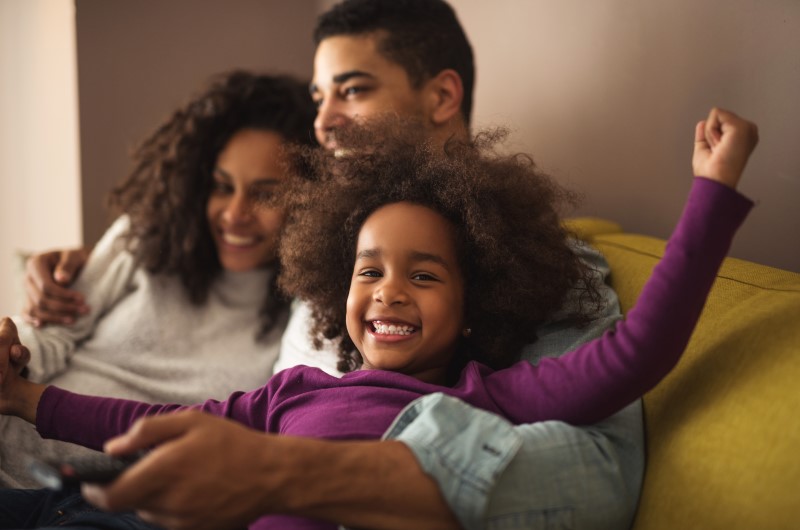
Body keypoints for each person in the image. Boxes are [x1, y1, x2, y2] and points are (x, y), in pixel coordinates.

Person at [16, 1, 646, 529]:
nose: (323, 122)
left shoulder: (529, 263)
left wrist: (287, 472)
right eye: (320, 97)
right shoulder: (326, 249)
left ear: (443, 95)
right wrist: (78, 276)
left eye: (352, 89)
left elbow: (595, 478)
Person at [0, 106, 759, 530]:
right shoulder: (291, 391)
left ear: (474, 308)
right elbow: (151, 422)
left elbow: (635, 354)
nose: (390, 292)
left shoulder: (485, 400)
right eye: (369, 272)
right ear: (338, 287)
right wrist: (21, 397)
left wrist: (712, 194)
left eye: (423, 276)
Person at [0, 70, 317, 489]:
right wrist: (12, 355)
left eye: (265, 194)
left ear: (312, 200)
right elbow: (49, 337)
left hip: (109, 503)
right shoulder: (147, 240)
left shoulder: (305, 318)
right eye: (221, 187)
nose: (235, 213)